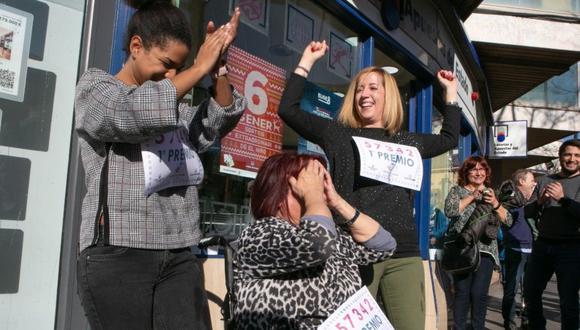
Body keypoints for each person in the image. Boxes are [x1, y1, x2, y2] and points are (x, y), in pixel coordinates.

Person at [74, 1, 246, 329]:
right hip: (118, 251)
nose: (171, 76)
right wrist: (195, 70)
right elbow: (125, 115)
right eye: (167, 64)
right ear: (136, 46)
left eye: (178, 68)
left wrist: (218, 68)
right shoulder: (97, 88)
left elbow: (215, 120)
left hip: (179, 251)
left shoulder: (173, 106)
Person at [278, 40, 460, 330]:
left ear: (389, 96)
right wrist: (306, 63)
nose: (365, 94)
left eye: (374, 88)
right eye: (360, 89)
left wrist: (450, 94)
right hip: (354, 252)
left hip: (403, 252)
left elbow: (450, 139)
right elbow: (288, 110)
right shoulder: (337, 134)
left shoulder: (406, 142)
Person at [233, 152, 396, 328]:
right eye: (306, 190)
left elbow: (383, 246)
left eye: (320, 188)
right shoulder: (260, 234)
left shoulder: (330, 235)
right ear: (277, 195)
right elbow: (318, 245)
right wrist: (313, 196)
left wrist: (337, 201)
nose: (318, 196)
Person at [444, 156, 512, 330]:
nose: (478, 172)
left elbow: (509, 220)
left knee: (479, 294)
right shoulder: (457, 191)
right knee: (462, 293)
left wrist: (496, 204)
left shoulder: (493, 193)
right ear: (466, 173)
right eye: (473, 169)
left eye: (481, 169)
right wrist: (472, 197)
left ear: (486, 172)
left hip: (486, 250)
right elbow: (450, 211)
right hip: (462, 250)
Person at [523, 139, 580, 330]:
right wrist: (539, 202)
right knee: (530, 292)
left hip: (572, 247)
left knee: (568, 299)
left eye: (577, 155)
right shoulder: (544, 181)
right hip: (543, 245)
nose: (572, 159)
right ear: (560, 156)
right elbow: (527, 213)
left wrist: (563, 199)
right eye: (568, 154)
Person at [501, 169, 536, 330]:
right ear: (522, 182)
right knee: (511, 289)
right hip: (516, 249)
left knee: (530, 289)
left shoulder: (532, 199)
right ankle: (510, 324)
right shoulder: (511, 198)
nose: (534, 183)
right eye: (532, 180)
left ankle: (527, 320)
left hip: (532, 249)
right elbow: (506, 219)